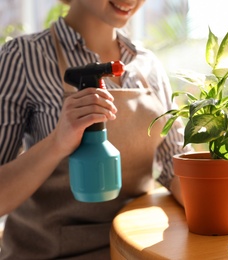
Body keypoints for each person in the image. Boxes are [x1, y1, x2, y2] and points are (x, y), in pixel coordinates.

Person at [0, 0, 189, 259]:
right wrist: (58, 142)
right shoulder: (23, 57)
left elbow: (176, 170)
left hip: (138, 248)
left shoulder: (147, 64)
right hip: (52, 253)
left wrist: (220, 185)